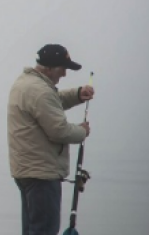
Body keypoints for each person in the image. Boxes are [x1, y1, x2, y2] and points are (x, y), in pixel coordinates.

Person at [8, 44, 95, 235]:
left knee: (32, 229)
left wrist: (77, 94)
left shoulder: (26, 83)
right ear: (48, 68)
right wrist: (82, 131)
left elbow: (51, 103)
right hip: (42, 174)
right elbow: (60, 131)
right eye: (62, 68)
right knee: (44, 230)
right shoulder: (40, 91)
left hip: (26, 171)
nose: (64, 74)